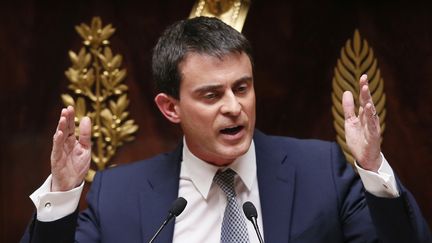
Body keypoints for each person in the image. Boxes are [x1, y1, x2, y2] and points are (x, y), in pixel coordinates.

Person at [22, 16, 431, 243]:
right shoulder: (120, 197)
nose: (234, 108)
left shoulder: (320, 171)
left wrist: (374, 167)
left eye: (242, 87)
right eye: (211, 95)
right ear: (170, 107)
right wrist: (60, 195)